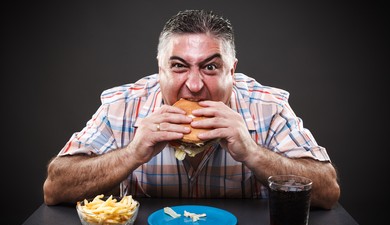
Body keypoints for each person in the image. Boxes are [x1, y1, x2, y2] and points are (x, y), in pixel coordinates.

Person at [43, 9, 340, 209]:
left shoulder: (267, 106)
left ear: (232, 71)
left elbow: (328, 191)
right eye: (179, 67)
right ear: (160, 70)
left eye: (210, 67)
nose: (194, 85)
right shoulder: (123, 105)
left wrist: (252, 152)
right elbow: (55, 187)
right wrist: (133, 153)